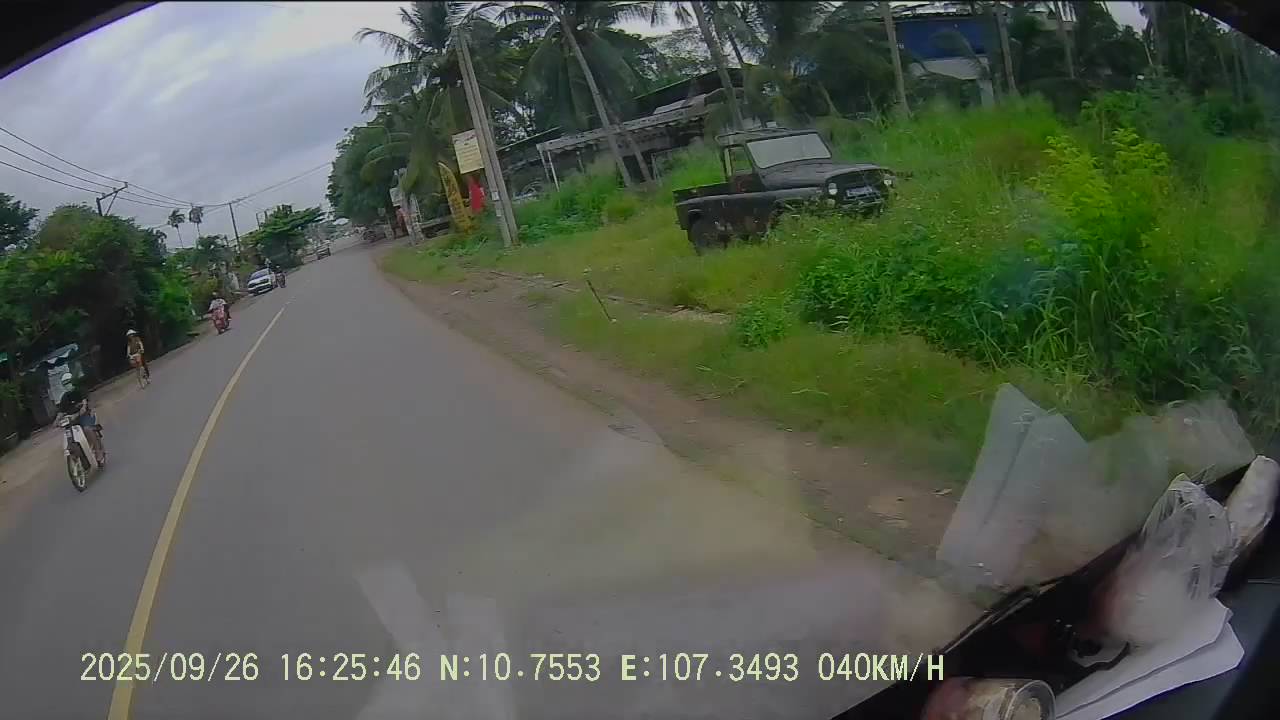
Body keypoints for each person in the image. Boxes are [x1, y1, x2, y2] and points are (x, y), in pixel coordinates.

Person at [57, 372, 103, 459]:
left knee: (87, 429)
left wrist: (77, 414)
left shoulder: (81, 390)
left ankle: (98, 451)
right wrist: (56, 421)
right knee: (68, 434)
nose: (67, 385)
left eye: (68, 382)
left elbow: (84, 407)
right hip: (73, 419)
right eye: (65, 384)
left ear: (73, 381)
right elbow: (61, 412)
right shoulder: (65, 397)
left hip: (86, 415)